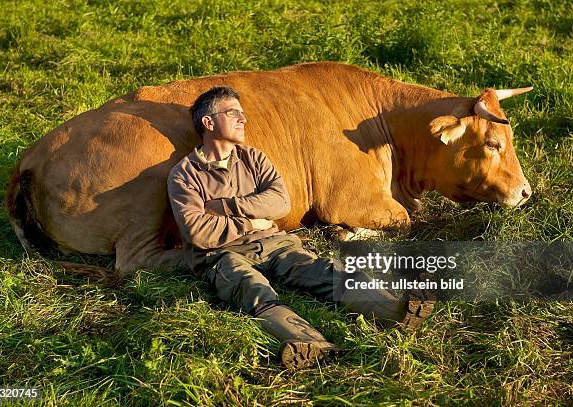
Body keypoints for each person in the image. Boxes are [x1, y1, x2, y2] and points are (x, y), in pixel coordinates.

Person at [167, 86, 434, 370]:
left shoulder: (254, 158)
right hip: (221, 255)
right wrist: (253, 220)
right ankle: (308, 344)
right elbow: (198, 232)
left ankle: (395, 310)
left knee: (323, 270)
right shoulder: (183, 175)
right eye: (233, 113)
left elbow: (280, 203)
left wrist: (228, 207)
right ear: (208, 123)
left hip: (273, 242)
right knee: (252, 290)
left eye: (243, 113)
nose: (243, 119)